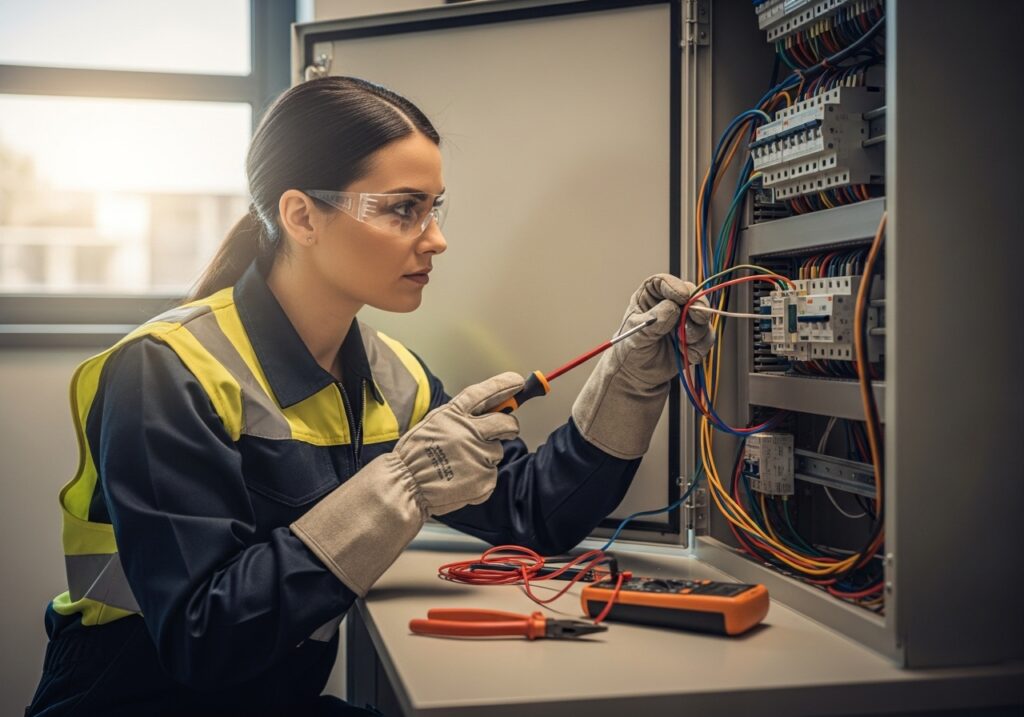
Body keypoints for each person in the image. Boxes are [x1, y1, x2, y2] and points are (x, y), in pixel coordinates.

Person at [27, 76, 714, 716]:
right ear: (301, 215)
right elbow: (206, 637)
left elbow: (532, 512)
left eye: (434, 208)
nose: (436, 238)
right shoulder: (167, 371)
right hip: (131, 695)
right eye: (403, 210)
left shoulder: (396, 377)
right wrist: (402, 483)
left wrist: (633, 371)